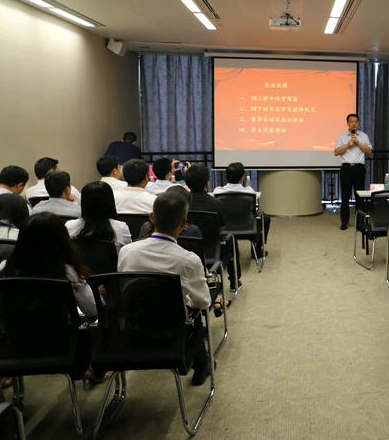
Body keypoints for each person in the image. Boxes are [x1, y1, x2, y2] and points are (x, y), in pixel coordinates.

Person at [117, 191, 212, 386]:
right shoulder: (189, 260)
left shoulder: (127, 252)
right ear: (183, 223)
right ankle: (202, 365)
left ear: (151, 217)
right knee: (195, 318)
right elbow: (203, 302)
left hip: (131, 330)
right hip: (173, 334)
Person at [0, 213, 96, 316]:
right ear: (62, 242)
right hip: (57, 326)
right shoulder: (69, 273)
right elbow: (92, 310)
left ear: (21, 241)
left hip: (14, 326)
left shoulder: (5, 267)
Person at [213, 161, 271, 249]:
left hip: (224, 230)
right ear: (242, 177)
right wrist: (257, 213)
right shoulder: (249, 192)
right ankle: (257, 248)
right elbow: (253, 210)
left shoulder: (217, 192)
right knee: (265, 217)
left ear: (226, 176)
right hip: (247, 229)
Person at [66, 181, 132, 252]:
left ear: (83, 202)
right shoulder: (121, 228)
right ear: (110, 202)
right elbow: (127, 253)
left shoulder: (69, 226)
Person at [334, 114, 372, 230]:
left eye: (356, 121)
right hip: (346, 168)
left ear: (358, 123)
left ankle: (360, 222)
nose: (354, 124)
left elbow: (369, 151)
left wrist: (358, 143)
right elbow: (336, 152)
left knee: (359, 196)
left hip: (359, 169)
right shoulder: (342, 137)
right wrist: (347, 144)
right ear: (347, 123)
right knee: (345, 196)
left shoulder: (364, 136)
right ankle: (344, 222)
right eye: (351, 121)